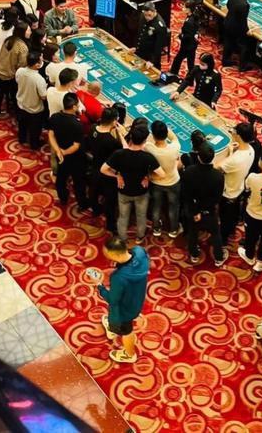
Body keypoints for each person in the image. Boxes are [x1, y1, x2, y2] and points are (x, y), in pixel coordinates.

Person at [101, 125, 163, 241]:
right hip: (141, 193)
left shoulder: (119, 153)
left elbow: (103, 169)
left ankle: (122, 239)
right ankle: (140, 237)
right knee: (141, 217)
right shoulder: (148, 157)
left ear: (131, 138)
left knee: (123, 217)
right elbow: (162, 174)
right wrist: (148, 177)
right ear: (144, 141)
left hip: (123, 191)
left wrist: (117, 175)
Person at [97, 235, 149, 363]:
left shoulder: (119, 277)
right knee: (119, 323)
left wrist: (100, 287)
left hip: (123, 312)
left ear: (113, 255)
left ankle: (129, 354)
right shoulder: (140, 252)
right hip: (137, 299)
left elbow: (113, 300)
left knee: (127, 331)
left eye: (106, 253)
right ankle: (112, 328)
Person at [183, 141, 227, 266]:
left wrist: (196, 212)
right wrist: (204, 211)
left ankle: (194, 255)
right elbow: (217, 198)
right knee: (216, 234)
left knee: (193, 232)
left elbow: (186, 195)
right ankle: (218, 258)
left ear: (198, 156)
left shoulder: (189, 171)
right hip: (210, 211)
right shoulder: (218, 176)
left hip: (193, 210)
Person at [47, 92, 89, 209]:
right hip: (76, 158)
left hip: (61, 156)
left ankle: (63, 198)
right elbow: (76, 146)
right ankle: (82, 203)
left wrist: (58, 151)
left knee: (61, 178)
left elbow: (51, 135)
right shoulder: (77, 124)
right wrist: (63, 152)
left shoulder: (55, 117)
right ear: (74, 107)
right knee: (79, 181)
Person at [218, 122, 255, 245]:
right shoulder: (251, 150)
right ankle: (231, 230)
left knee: (225, 219)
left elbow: (218, 167)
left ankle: (223, 241)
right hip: (239, 188)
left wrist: (229, 152)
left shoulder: (235, 159)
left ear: (238, 136)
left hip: (228, 192)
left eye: (234, 132)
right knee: (233, 216)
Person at [145, 121, 181, 238]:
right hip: (173, 181)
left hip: (156, 182)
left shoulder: (149, 148)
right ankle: (173, 229)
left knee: (156, 206)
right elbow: (174, 138)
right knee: (173, 207)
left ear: (153, 135)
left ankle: (156, 228)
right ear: (165, 134)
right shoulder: (175, 147)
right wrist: (166, 128)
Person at [0, 21, 29, 115]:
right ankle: (17, 114)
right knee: (15, 93)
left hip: (1, 69)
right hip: (10, 74)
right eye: (28, 30)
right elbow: (22, 66)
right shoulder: (22, 47)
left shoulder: (9, 40)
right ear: (23, 32)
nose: (30, 32)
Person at [15, 52, 47, 150]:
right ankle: (34, 144)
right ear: (37, 65)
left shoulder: (20, 71)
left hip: (21, 104)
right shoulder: (39, 79)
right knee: (35, 129)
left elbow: (17, 81)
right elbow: (43, 96)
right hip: (34, 109)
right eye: (40, 61)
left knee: (22, 125)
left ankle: (22, 138)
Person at [222, 0, 253, 71]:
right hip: (236, 28)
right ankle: (243, 66)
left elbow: (228, 6)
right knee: (243, 46)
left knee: (228, 43)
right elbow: (243, 20)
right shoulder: (245, 5)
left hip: (227, 22)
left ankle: (225, 61)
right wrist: (247, 30)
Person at [135, 2, 168, 69]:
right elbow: (139, 33)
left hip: (150, 58)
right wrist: (135, 47)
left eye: (149, 15)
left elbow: (158, 46)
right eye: (145, 15)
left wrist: (152, 61)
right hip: (141, 53)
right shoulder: (142, 15)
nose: (147, 17)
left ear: (154, 11)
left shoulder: (160, 26)